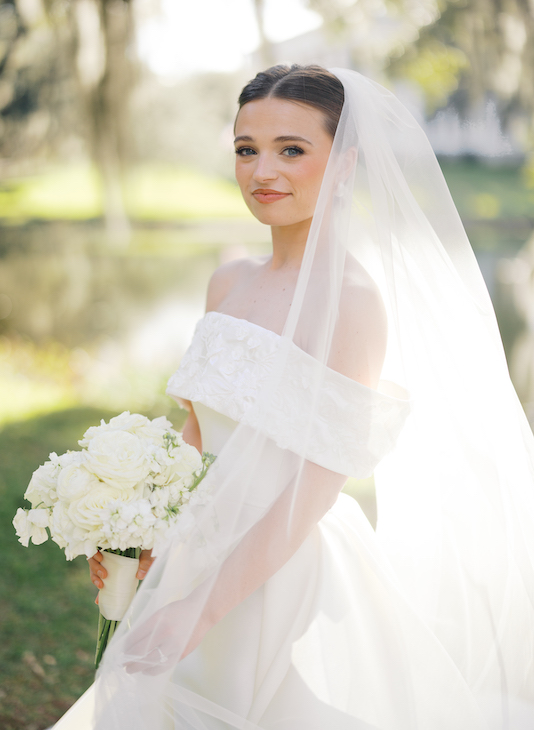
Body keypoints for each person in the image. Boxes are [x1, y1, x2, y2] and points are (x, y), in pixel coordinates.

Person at [56, 65, 534, 729]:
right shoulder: (228, 281)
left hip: (279, 566)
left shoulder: (354, 303)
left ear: (343, 164)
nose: (262, 172)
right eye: (246, 150)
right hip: (195, 547)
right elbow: (193, 433)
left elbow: (315, 484)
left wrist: (202, 610)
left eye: (292, 150)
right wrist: (141, 538)